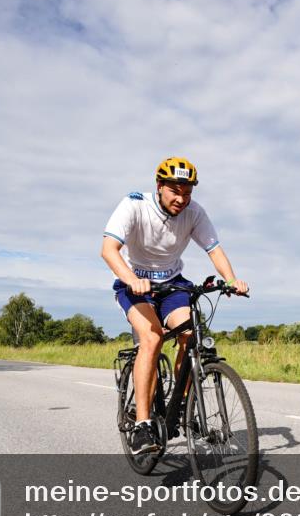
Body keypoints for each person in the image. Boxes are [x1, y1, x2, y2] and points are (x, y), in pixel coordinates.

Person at [101, 157, 248, 454]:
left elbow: (214, 249)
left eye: (187, 192)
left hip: (172, 284)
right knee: (152, 338)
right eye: (175, 191)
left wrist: (231, 279)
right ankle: (142, 425)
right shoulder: (134, 205)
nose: (181, 199)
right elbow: (108, 249)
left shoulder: (194, 212)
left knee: (189, 335)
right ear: (159, 187)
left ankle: (179, 403)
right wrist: (131, 278)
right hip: (134, 286)